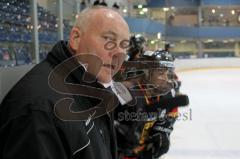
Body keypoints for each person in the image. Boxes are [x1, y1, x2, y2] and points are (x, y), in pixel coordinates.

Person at [0, 6, 130, 159]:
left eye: (124, 45)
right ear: (76, 38)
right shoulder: (39, 110)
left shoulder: (94, 85)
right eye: (109, 39)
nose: (119, 54)